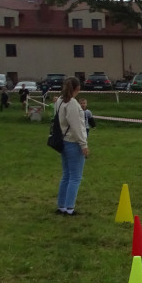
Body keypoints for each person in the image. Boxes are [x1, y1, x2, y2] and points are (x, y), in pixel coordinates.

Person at [54, 76, 89, 216]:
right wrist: (83, 144)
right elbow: (76, 127)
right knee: (75, 177)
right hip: (73, 142)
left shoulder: (59, 102)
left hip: (63, 141)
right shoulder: (72, 104)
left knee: (66, 175)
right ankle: (69, 208)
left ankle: (62, 206)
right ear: (78, 88)